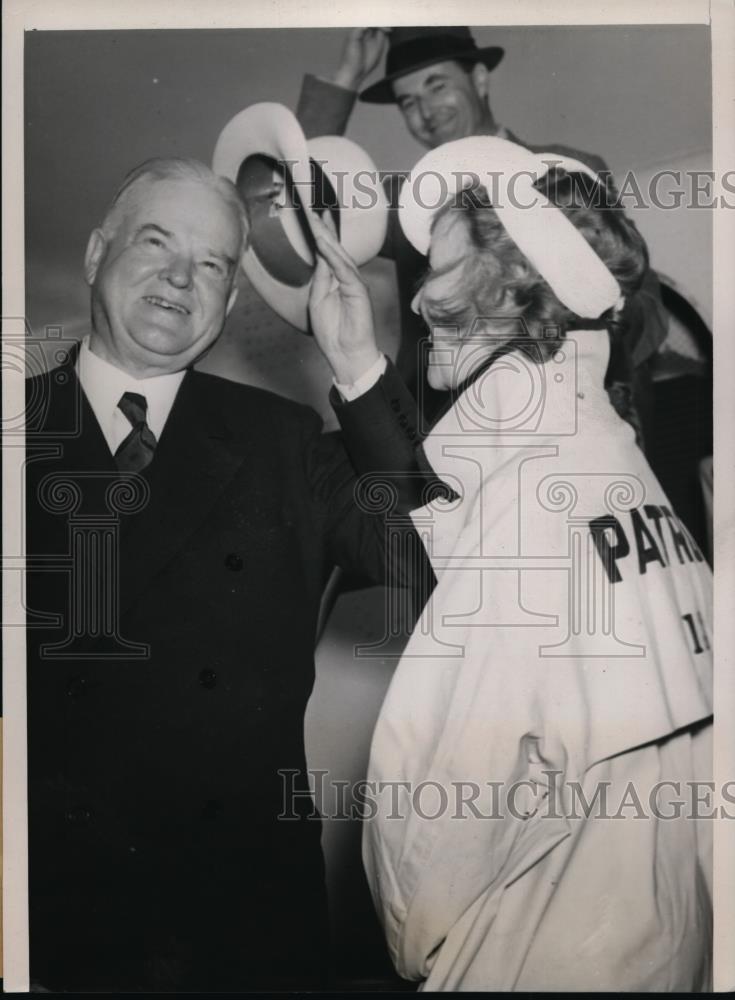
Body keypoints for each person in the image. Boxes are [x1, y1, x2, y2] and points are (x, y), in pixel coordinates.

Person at [24, 157, 426, 992]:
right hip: (53, 915)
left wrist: (356, 365)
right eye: (157, 242)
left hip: (244, 922)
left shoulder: (281, 437)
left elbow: (422, 554)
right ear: (98, 252)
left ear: (232, 299)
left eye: (212, 264)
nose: (181, 277)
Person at [361, 137, 713, 991]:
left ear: (510, 291)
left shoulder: (526, 501)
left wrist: (412, 941)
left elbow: (433, 817)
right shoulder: (625, 475)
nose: (415, 306)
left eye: (439, 270)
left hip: (533, 955)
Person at [296, 26, 668, 429]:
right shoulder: (407, 203)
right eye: (408, 101)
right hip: (444, 424)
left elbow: (642, 306)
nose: (425, 111)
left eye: (437, 86)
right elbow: (300, 192)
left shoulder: (566, 170)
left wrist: (579, 335)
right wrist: (346, 77)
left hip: (570, 415)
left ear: (480, 78)